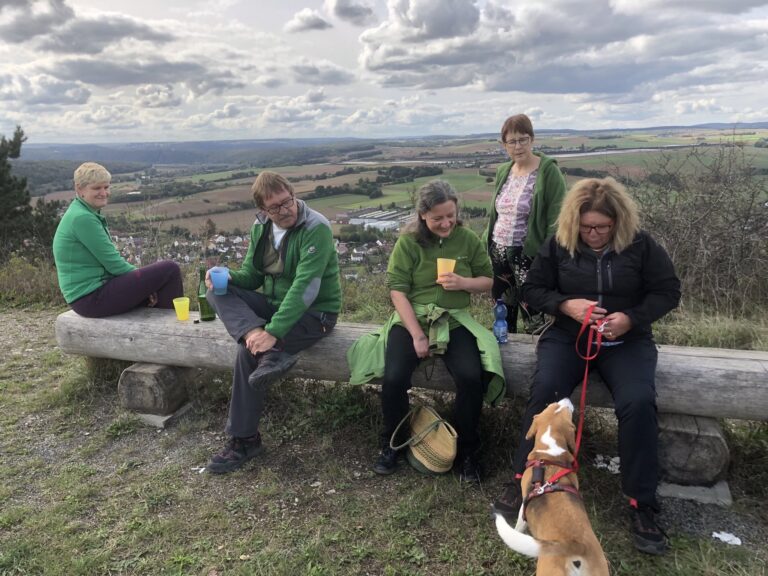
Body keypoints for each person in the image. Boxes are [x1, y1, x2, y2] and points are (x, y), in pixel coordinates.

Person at [492, 177, 681, 555]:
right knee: (545, 391)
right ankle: (524, 480)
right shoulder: (560, 244)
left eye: (603, 227)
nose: (594, 234)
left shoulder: (641, 245)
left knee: (638, 402)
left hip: (626, 340)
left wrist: (630, 317)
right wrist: (566, 306)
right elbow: (532, 289)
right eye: (587, 226)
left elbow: (668, 291)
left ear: (619, 222)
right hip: (568, 335)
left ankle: (642, 504)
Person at [347, 180, 506, 484]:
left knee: (472, 378)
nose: (446, 223)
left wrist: (464, 284)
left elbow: (488, 280)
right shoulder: (408, 243)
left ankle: (467, 450)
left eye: (451, 215)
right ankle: (392, 443)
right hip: (412, 318)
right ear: (422, 216)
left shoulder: (468, 239)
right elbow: (397, 291)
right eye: (438, 218)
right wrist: (417, 334)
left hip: (455, 320)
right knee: (393, 377)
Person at [205, 171, 341, 474]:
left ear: (293, 195)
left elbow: (305, 288)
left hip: (314, 314)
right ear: (263, 210)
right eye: (275, 207)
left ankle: (244, 440)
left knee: (247, 352)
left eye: (288, 201)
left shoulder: (315, 227)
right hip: (274, 308)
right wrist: (227, 276)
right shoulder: (261, 227)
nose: (285, 210)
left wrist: (274, 332)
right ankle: (263, 346)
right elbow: (252, 276)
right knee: (215, 290)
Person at [52, 162, 183, 318]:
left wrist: (145, 286)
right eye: (96, 188)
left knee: (154, 287)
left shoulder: (83, 211)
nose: (104, 193)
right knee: (170, 269)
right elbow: (114, 265)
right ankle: (171, 327)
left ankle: (163, 328)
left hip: (92, 293)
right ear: (79, 189)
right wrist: (148, 285)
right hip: (90, 298)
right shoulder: (82, 218)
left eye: (106, 187)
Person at [484, 113, 566, 333]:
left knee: (533, 312)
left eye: (523, 139)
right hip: (498, 250)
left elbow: (556, 218)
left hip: (529, 254)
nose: (518, 146)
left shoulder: (548, 172)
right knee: (502, 309)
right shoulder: (504, 171)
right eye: (512, 141)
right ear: (504, 145)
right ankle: (503, 355)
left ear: (532, 139)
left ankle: (538, 358)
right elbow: (496, 213)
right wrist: (487, 244)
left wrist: (546, 255)